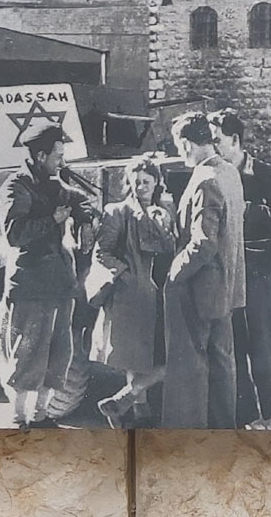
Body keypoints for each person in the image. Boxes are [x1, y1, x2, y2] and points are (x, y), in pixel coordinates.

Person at [0, 123, 97, 430]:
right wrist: (53, 219)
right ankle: (20, 417)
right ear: (41, 156)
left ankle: (41, 415)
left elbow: (80, 200)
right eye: (57, 156)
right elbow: (15, 234)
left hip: (59, 284)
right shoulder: (17, 187)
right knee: (29, 353)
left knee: (58, 354)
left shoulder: (51, 182)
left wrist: (86, 222)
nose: (61, 162)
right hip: (32, 283)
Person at [215, 112, 271, 424]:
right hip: (228, 275)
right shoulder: (214, 175)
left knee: (266, 351)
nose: (214, 148)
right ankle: (245, 420)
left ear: (235, 141)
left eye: (217, 141)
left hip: (260, 276)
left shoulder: (267, 175)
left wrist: (250, 211)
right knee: (234, 350)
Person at [163, 112, 238, 429]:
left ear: (186, 143)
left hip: (200, 290)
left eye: (179, 146)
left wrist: (174, 272)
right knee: (222, 366)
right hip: (226, 289)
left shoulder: (204, 180)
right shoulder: (230, 172)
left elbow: (204, 242)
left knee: (191, 372)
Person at [91, 157, 176, 428]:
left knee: (167, 354)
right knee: (136, 358)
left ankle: (124, 401)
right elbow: (101, 252)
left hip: (163, 292)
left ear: (156, 183)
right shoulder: (118, 212)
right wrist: (126, 274)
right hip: (133, 297)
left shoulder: (165, 211)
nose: (141, 187)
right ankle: (140, 413)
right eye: (136, 182)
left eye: (146, 182)